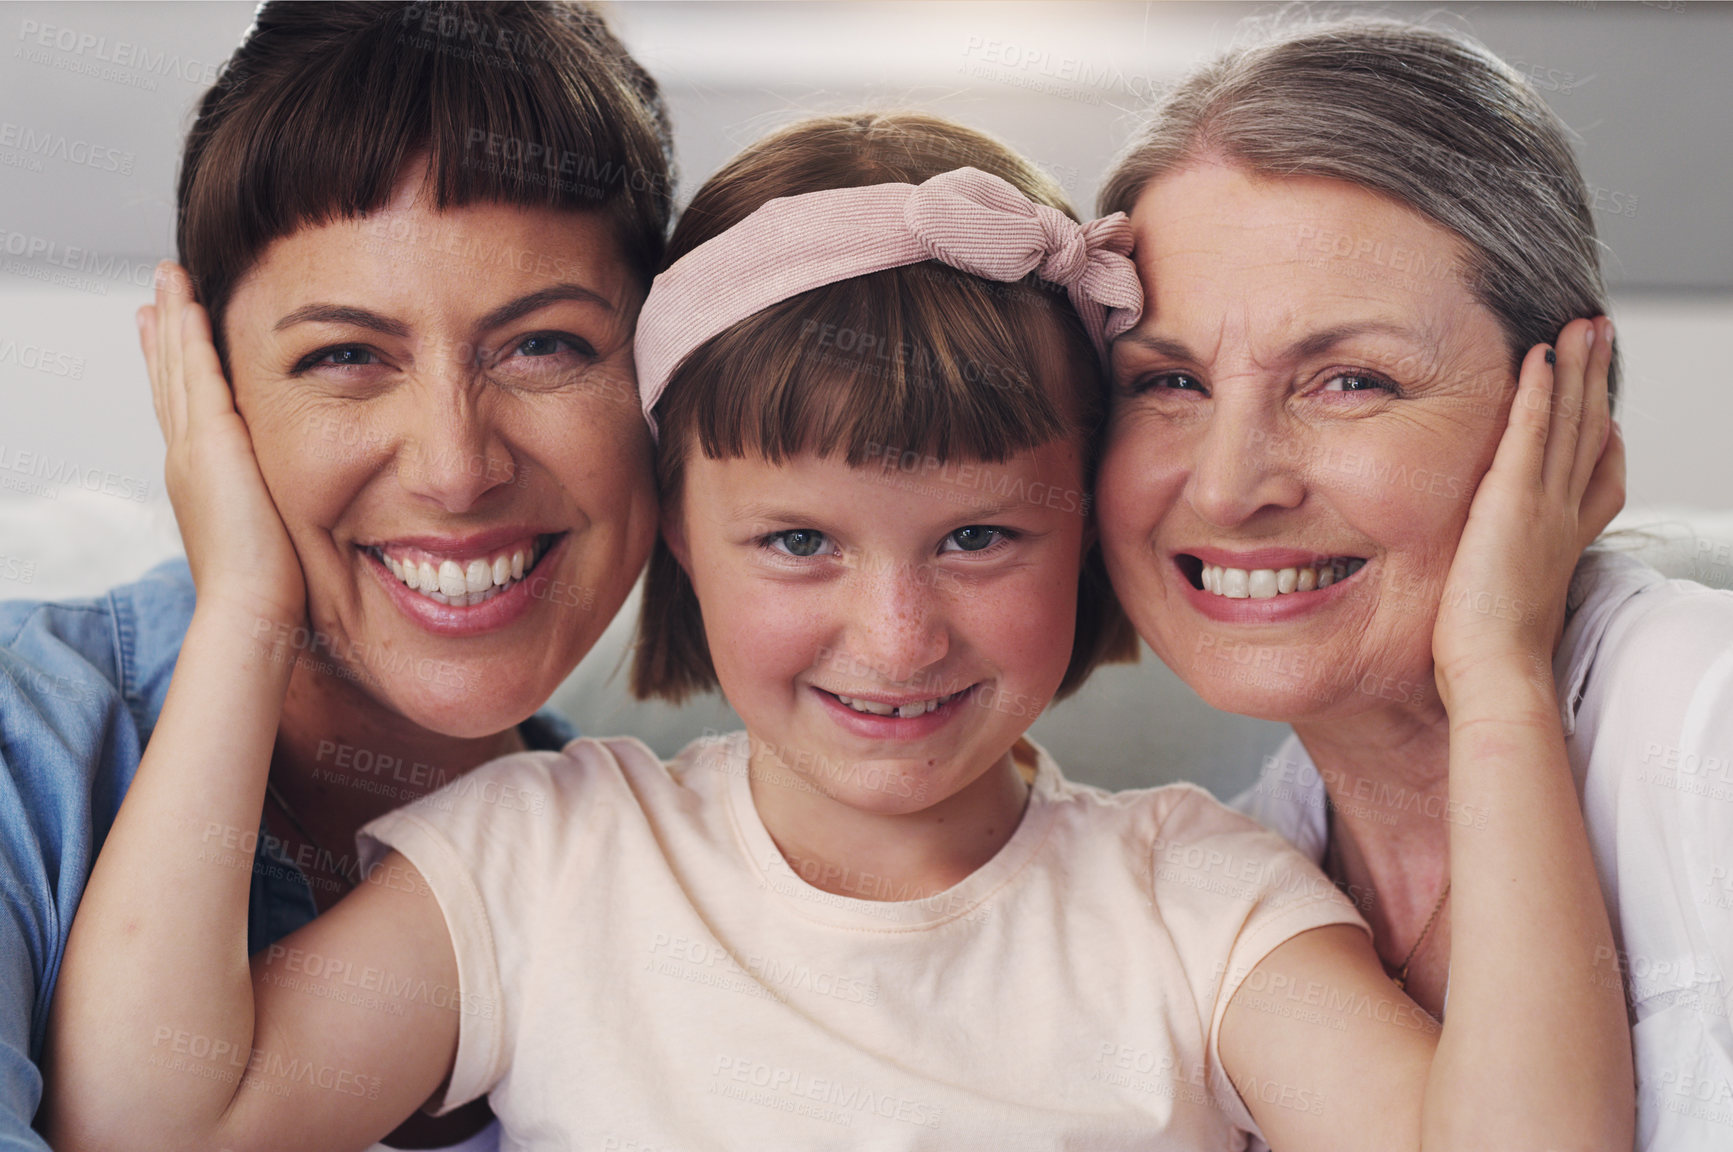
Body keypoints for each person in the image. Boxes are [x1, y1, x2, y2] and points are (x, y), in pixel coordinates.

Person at [46, 110, 1628, 1152]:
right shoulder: (546, 857)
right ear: (678, 533)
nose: (895, 632)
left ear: (1086, 525)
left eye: (978, 538)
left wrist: (1493, 681)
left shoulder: (1193, 896)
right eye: (798, 541)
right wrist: (248, 606)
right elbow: (157, 1126)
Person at [2, 3, 671, 1148]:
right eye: (346, 356)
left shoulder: (686, 874)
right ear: (205, 386)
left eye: (543, 345)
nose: (457, 470)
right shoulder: (27, 740)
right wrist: (245, 622)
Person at [1094, 17, 1725, 1150]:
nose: (1229, 485)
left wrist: (1495, 679)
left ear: (1563, 413)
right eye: (1168, 380)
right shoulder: (1235, 874)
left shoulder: (1707, 722)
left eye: (1348, 380)